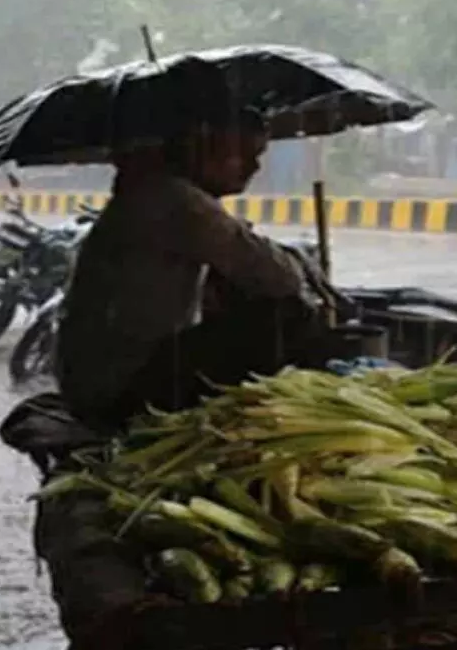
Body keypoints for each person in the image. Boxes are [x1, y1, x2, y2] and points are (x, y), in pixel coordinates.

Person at [57, 64, 329, 430]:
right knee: (288, 315)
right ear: (201, 141)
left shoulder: (153, 191)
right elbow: (279, 277)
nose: (253, 168)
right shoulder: (174, 199)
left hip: (100, 379)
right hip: (115, 392)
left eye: (259, 155)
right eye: (242, 153)